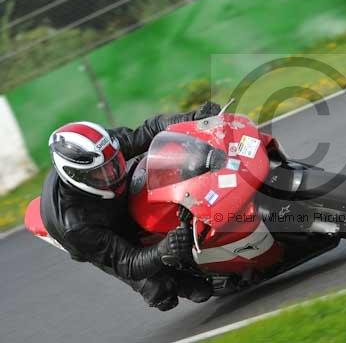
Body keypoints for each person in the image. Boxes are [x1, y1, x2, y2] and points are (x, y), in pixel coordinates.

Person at [40, 102, 222, 311]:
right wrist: (165, 249)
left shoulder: (104, 148)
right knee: (163, 290)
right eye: (102, 172)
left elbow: (150, 130)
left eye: (115, 162)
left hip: (108, 202)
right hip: (95, 229)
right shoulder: (76, 225)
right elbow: (128, 262)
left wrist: (194, 118)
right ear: (77, 177)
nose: (114, 172)